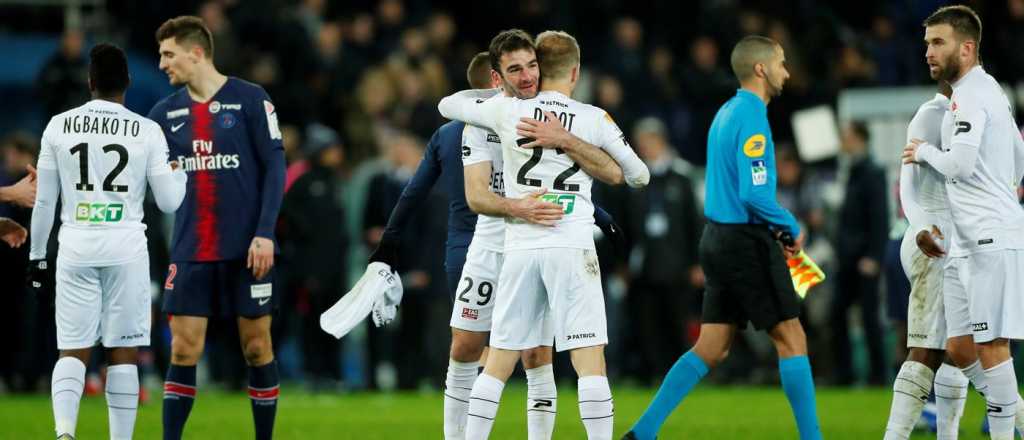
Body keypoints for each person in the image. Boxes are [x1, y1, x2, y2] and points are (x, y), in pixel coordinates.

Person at [438, 30, 651, 440]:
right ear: (575, 71)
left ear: (539, 67)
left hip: (518, 247)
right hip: (570, 246)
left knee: (498, 361)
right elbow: (637, 175)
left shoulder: (506, 112)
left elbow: (447, 104)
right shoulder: (592, 118)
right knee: (589, 361)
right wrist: (569, 140)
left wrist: (493, 98)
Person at [623, 35, 821, 440]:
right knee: (792, 336)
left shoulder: (726, 112)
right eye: (781, 63)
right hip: (744, 241)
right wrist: (789, 224)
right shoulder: (752, 117)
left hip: (717, 239)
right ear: (761, 69)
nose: (786, 71)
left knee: (712, 345)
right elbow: (753, 192)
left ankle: (643, 432)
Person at [27, 43, 187, 440]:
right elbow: (168, 203)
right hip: (125, 249)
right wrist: (179, 174)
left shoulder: (58, 126)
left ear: (90, 81)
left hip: (75, 247)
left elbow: (45, 200)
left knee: (72, 348)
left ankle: (64, 432)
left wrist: (36, 257)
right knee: (124, 352)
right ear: (128, 83)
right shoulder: (147, 130)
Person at [147, 16, 286, 440]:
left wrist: (265, 232)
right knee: (184, 348)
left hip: (247, 247)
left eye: (168, 54)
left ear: (197, 53)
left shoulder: (250, 99)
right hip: (191, 249)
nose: (162, 64)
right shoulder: (164, 113)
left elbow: (275, 167)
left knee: (256, 347)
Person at [903, 5, 1024, 439]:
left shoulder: (974, 93)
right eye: (927, 44)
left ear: (967, 48)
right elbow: (1019, 160)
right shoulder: (981, 92)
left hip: (990, 238)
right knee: (958, 346)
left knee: (992, 347)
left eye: (938, 43)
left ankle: (1005, 432)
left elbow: (960, 163)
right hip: (965, 241)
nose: (929, 52)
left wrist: (924, 152)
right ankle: (1016, 417)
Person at [832, 121, 889, 385]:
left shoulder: (872, 173)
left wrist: (875, 256)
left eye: (846, 136)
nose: (842, 141)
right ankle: (844, 374)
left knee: (869, 318)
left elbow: (879, 218)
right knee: (838, 313)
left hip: (864, 258)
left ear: (858, 139)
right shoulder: (852, 170)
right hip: (846, 258)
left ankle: (878, 375)